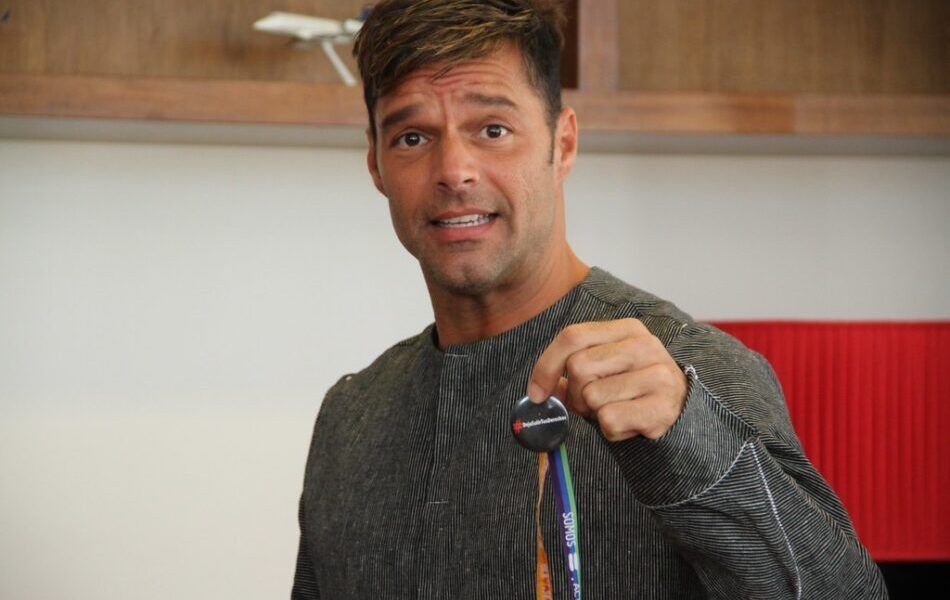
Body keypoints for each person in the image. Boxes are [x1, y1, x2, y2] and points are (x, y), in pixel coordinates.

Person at [291, 1, 887, 598]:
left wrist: (692, 438)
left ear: (564, 143)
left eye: (493, 130)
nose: (454, 170)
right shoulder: (351, 417)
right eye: (412, 137)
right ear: (376, 164)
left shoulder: (686, 369)